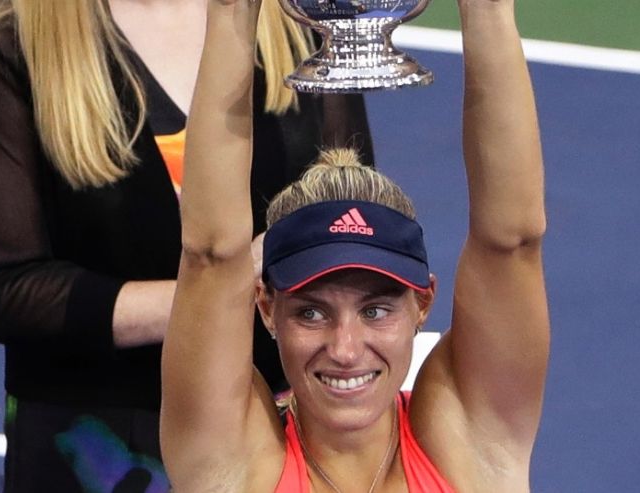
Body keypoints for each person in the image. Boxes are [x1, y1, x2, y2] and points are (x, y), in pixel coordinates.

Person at [0, 0, 373, 490]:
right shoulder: (14, 31)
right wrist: (222, 288)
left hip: (280, 430)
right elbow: (8, 288)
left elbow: (351, 212)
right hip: (100, 446)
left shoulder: (300, 14)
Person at [160, 0, 549, 491]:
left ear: (423, 302)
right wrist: (231, 11)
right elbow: (210, 256)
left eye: (375, 310)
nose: (345, 350)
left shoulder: (468, 443)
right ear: (265, 306)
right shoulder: (234, 463)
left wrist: (487, 9)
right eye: (312, 313)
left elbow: (512, 242)